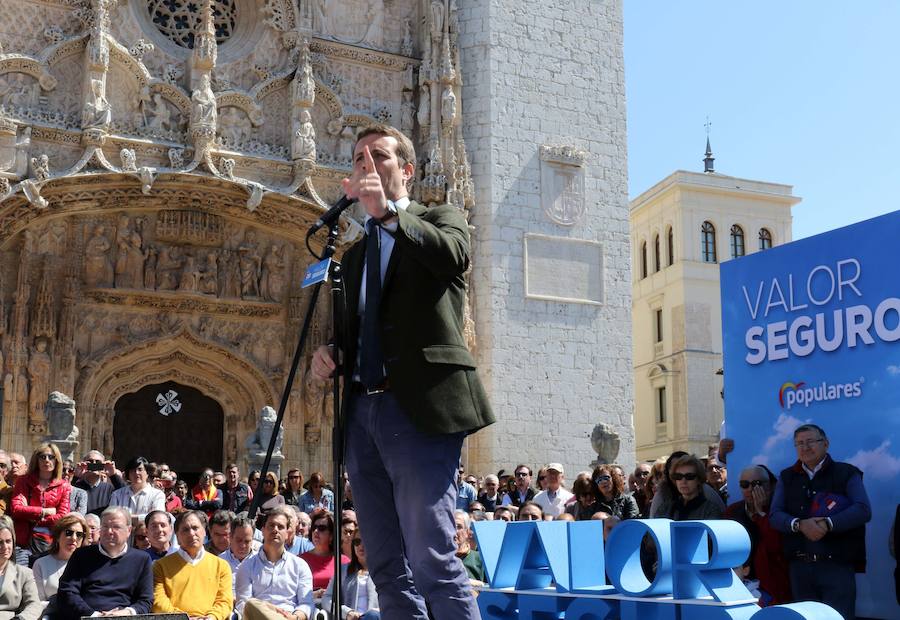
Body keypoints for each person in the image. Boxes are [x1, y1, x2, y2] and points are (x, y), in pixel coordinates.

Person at [310, 123, 494, 620]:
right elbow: (356, 333)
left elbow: (453, 256)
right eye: (357, 158)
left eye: (378, 155)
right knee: (385, 562)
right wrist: (329, 353)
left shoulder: (442, 218)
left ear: (406, 171)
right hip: (363, 412)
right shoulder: (353, 257)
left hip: (418, 409)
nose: (366, 163)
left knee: (432, 556)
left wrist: (388, 214)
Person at [770, 424, 872, 620]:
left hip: (837, 567)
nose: (805, 447)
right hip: (800, 568)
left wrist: (828, 523)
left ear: (825, 443)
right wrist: (799, 524)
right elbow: (775, 515)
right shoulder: (786, 477)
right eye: (799, 443)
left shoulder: (847, 473)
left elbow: (863, 510)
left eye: (810, 441)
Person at [55, 507, 154, 619]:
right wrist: (94, 615)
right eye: (105, 526)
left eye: (116, 527)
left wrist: (126, 613)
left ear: (129, 530)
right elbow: (67, 592)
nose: (109, 531)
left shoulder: (141, 559)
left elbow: (145, 600)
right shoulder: (81, 556)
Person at [725, 465, 791, 606]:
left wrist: (761, 513)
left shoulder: (781, 511)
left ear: (772, 486)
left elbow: (776, 545)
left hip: (774, 585)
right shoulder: (732, 511)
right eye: (745, 485)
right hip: (740, 583)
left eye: (757, 484)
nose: (750, 489)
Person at [235, 505, 314, 620]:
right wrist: (271, 611)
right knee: (251, 604)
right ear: (262, 530)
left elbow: (306, 603)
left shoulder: (300, 566)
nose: (275, 530)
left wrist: (295, 617)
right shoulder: (247, 566)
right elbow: (243, 605)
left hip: (290, 616)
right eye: (271, 525)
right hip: (258, 617)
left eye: (280, 527)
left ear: (288, 533)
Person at [152, 510, 233, 619]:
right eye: (185, 529)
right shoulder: (160, 566)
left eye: (195, 528)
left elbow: (225, 602)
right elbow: (158, 602)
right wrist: (183, 618)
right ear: (177, 536)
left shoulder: (221, 566)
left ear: (204, 532)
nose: (191, 533)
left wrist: (212, 617)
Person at [10, 443, 71, 566]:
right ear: (36, 459)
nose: (47, 460)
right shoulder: (24, 481)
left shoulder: (64, 486)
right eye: (42, 457)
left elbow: (62, 517)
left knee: (43, 581)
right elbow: (16, 509)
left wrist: (31, 514)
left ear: (57, 460)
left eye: (51, 457)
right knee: (22, 579)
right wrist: (45, 512)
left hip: (51, 542)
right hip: (23, 542)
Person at [32, 513, 88, 612]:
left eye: (79, 535)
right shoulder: (40, 564)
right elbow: (37, 603)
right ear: (57, 536)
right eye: (68, 533)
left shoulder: (89, 565)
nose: (74, 538)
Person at [322, 529, 380, 620]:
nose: (361, 545)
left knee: (372, 615)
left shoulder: (383, 571)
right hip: (351, 618)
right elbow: (326, 599)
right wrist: (347, 612)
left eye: (365, 540)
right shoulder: (342, 570)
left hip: (377, 617)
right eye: (357, 542)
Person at [0, 516, 42, 620]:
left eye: (8, 541)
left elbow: (34, 605)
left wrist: (21, 618)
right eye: (0, 542)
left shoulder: (24, 573)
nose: (5, 547)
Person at [300, 511, 349, 599]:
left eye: (322, 528)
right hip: (309, 606)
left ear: (332, 535)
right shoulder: (300, 560)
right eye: (314, 527)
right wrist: (315, 594)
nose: (315, 531)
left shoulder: (343, 561)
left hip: (336, 607)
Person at [666, 454, 723, 521]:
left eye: (689, 476)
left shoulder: (710, 510)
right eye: (678, 476)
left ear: (699, 479)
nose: (683, 481)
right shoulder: (666, 508)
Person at [108, 456, 165, 524]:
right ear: (128, 474)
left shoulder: (157, 495)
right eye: (132, 470)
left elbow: (156, 517)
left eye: (140, 469)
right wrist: (142, 518)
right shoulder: (117, 494)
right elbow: (111, 516)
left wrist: (125, 518)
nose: (136, 473)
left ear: (147, 473)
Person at [73, 451, 123, 517]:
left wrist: (113, 475)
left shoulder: (109, 489)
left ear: (103, 466)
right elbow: (66, 495)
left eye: (98, 462)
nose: (94, 464)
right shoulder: (77, 487)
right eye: (90, 462)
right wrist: (76, 477)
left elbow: (124, 493)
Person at [221, 515, 255, 591]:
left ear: (252, 540)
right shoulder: (220, 562)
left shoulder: (260, 562)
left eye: (247, 541)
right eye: (239, 540)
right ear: (230, 537)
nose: (242, 546)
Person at [453, 510, 484, 585]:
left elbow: (492, 590)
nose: (454, 531)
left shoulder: (480, 559)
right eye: (450, 526)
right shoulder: (438, 558)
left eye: (458, 527)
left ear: (467, 532)